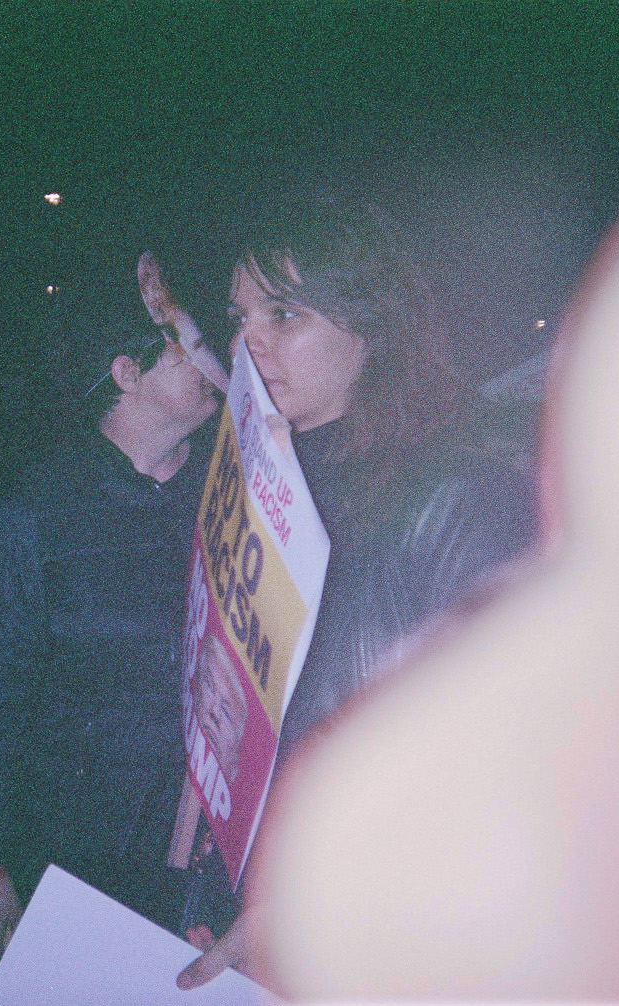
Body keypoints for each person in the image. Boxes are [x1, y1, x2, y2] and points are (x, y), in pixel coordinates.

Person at [177, 197, 536, 989]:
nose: (248, 342)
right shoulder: (264, 474)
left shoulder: (463, 490)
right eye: (240, 316)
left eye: (283, 313)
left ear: (371, 324)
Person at [0, 275, 222, 963]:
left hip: (205, 860)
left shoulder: (238, 493)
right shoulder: (42, 508)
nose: (210, 355)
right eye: (182, 346)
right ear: (127, 372)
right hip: (76, 848)